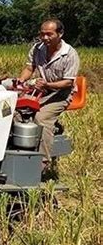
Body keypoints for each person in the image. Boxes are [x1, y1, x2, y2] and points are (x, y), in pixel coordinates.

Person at [18, 19, 80, 164]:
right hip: (43, 90)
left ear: (60, 34)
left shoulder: (70, 54)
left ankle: (42, 163)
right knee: (15, 111)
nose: (45, 38)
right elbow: (29, 68)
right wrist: (20, 83)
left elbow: (68, 82)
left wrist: (47, 84)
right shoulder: (37, 48)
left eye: (49, 34)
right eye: (42, 34)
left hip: (62, 93)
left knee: (41, 118)